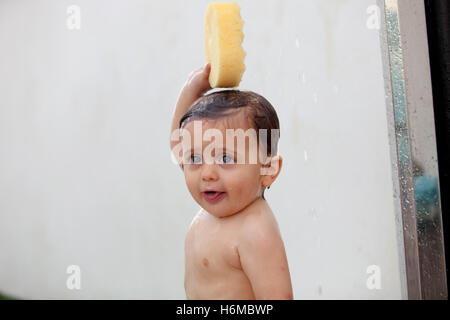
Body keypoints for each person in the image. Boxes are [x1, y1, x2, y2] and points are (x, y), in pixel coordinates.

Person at [169, 63, 293, 299]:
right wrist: (191, 89)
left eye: (225, 158)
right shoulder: (218, 199)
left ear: (267, 169)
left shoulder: (254, 230)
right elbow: (178, 143)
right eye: (194, 158)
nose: (207, 173)